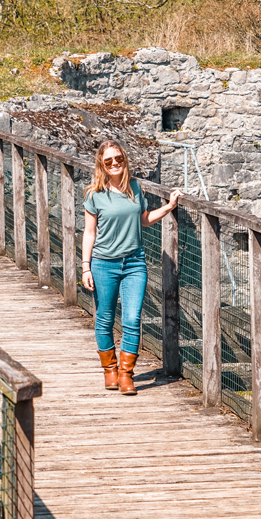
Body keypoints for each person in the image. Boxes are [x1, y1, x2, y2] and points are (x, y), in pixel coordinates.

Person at [82, 140, 181, 395]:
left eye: (119, 159)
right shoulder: (94, 194)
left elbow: (144, 220)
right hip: (104, 263)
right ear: (101, 165)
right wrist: (86, 267)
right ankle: (110, 370)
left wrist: (169, 207)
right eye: (108, 161)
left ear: (125, 160)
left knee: (132, 319)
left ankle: (127, 374)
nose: (115, 164)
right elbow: (89, 233)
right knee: (104, 318)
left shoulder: (136, 187)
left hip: (135, 262)